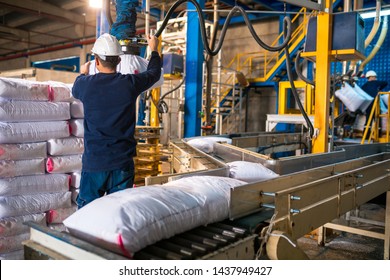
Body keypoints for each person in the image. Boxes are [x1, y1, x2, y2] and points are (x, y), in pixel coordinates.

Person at [72, 33, 161, 208]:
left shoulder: (85, 84)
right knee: (119, 211)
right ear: (119, 61)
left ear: (96, 61)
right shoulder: (130, 84)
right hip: (122, 164)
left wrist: (82, 72)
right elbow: (154, 73)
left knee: (87, 213)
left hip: (95, 163)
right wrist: (154, 49)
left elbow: (76, 87)